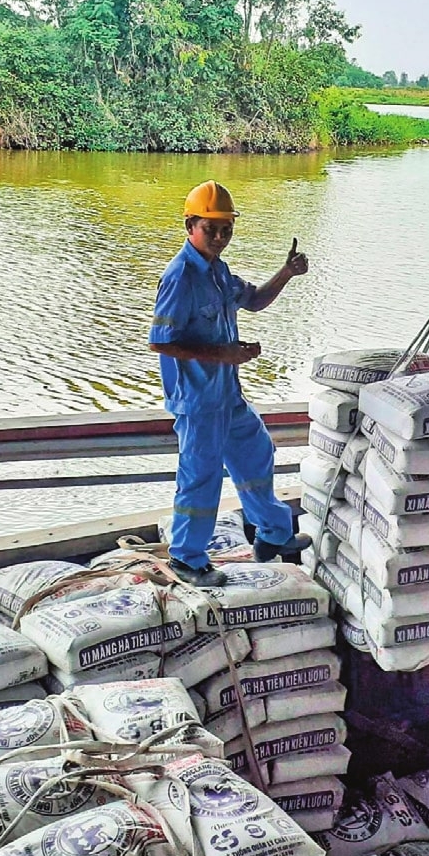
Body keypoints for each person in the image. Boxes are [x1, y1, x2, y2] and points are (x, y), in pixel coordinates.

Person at [148, 180, 312, 586]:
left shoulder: (218, 273)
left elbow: (253, 299)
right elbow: (160, 341)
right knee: (201, 478)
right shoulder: (181, 277)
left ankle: (274, 535)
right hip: (198, 401)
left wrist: (287, 273)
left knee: (256, 453)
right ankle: (187, 558)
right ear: (190, 225)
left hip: (227, 395)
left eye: (226, 228)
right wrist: (224, 354)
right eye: (211, 228)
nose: (220, 237)